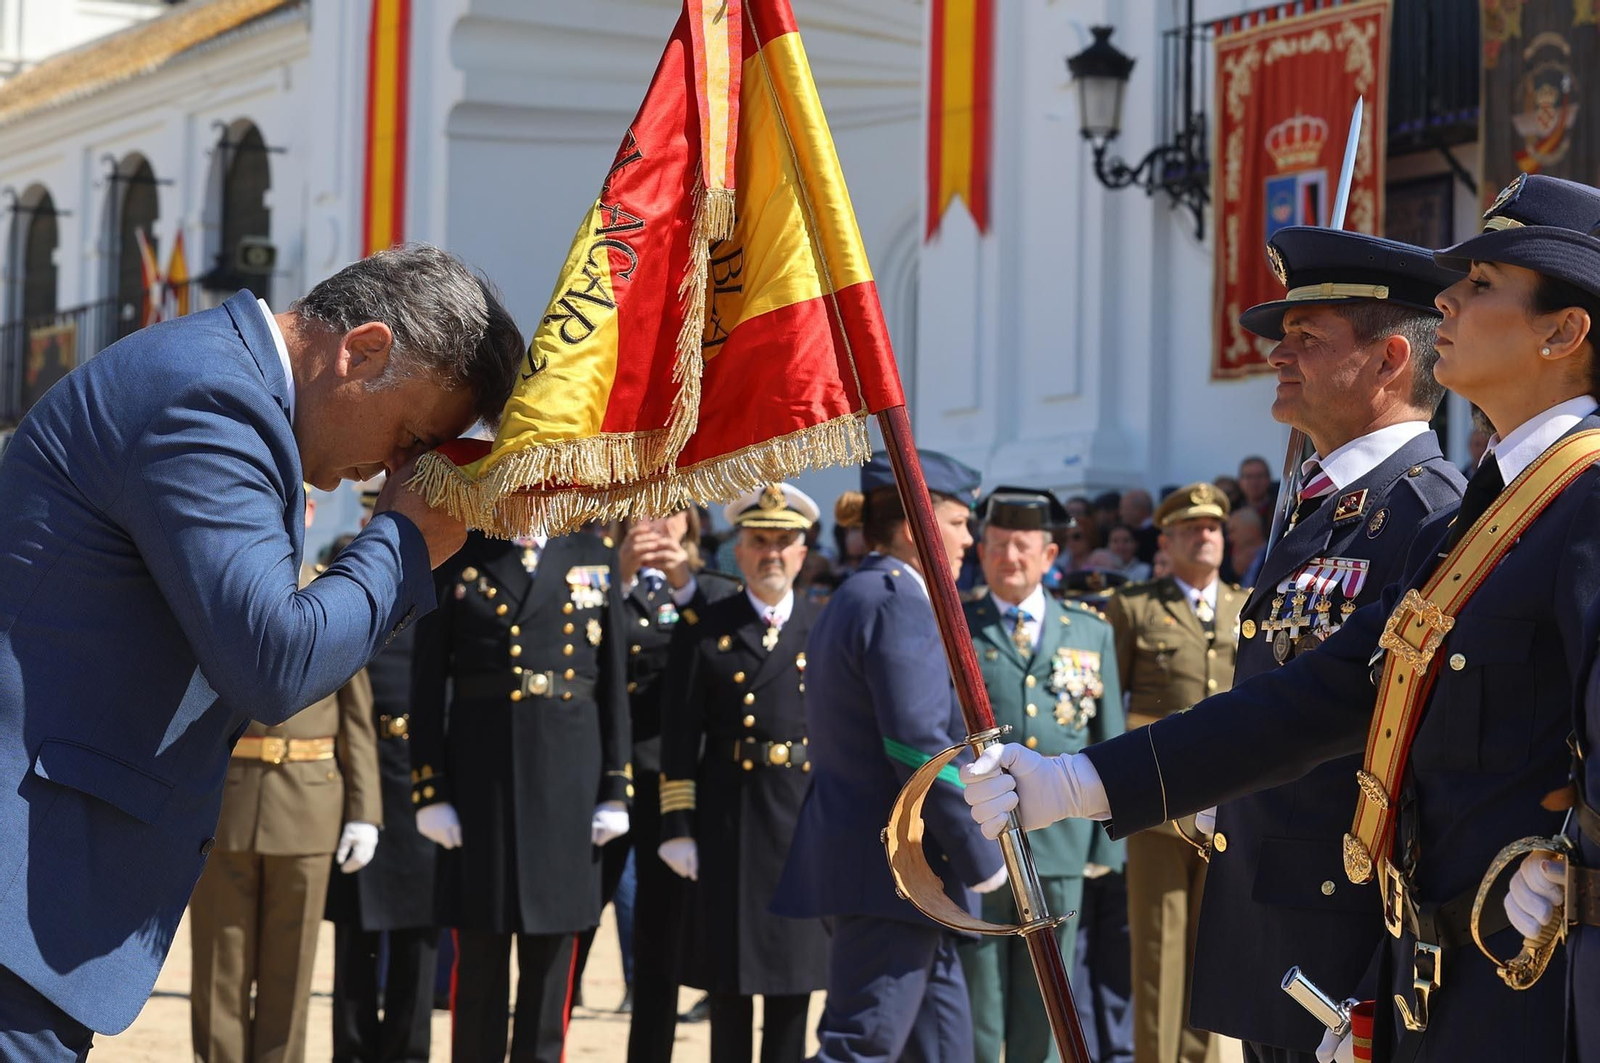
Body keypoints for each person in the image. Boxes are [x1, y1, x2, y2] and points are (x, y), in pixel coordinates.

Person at [962, 173, 1600, 1063]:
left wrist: (1580, 859)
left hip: (1533, 982)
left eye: (1483, 284)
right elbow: (1327, 693)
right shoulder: (1486, 516)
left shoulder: (1581, 501)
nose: (1448, 296)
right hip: (1432, 981)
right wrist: (1081, 781)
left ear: (1565, 331)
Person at [0, 243, 520, 1058]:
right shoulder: (213, 397)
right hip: (20, 886)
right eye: (410, 437)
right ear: (367, 348)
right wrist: (405, 540)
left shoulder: (230, 387)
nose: (393, 470)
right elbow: (274, 660)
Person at [1193, 227, 1465, 1063]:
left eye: (1308, 338)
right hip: (1274, 918)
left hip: (1349, 934)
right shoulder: (1321, 504)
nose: (1279, 353)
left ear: (1389, 359)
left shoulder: (1431, 513)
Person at [772, 451, 1005, 1062]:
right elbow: (915, 743)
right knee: (861, 1047)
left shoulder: (863, 593)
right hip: (897, 873)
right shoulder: (896, 599)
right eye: (957, 522)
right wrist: (984, 851)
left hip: (897, 876)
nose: (967, 538)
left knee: (941, 1049)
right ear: (914, 528)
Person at [409, 529, 632, 1063]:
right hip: (482, 787)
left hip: (568, 788)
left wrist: (616, 790)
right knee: (480, 961)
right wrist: (430, 787)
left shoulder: (592, 555)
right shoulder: (462, 551)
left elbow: (612, 684)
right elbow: (429, 679)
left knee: (552, 964)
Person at [190, 494, 383, 1063]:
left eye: (294, 507)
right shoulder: (215, 588)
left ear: (311, 516)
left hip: (308, 800)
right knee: (220, 968)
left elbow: (357, 717)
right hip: (226, 800)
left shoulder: (332, 592)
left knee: (290, 970)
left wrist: (365, 811)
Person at [656, 483, 829, 1063]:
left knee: (792, 992)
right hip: (729, 827)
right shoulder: (706, 626)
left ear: (804, 551)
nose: (772, 553)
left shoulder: (825, 629)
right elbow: (679, 737)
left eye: (784, 541)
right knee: (728, 992)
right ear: (738, 547)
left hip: (805, 827)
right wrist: (678, 825)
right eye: (760, 541)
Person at [957, 487, 1124, 1063]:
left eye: (1023, 546)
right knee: (980, 1001)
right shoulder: (959, 630)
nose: (1010, 557)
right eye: (998, 545)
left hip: (1060, 843)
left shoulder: (1089, 630)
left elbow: (1108, 736)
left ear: (1050, 555)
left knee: (1049, 1001)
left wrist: (1111, 837)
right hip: (979, 843)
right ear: (981, 550)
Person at [1100, 483, 1245, 1063]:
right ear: (1165, 539)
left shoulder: (1247, 604)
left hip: (1230, 800)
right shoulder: (1134, 606)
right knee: (1159, 947)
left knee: (1215, 947)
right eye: (1190, 528)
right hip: (1158, 802)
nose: (1204, 535)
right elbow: (1111, 706)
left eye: (1212, 526)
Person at [608, 509, 740, 1062]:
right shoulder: (598, 579)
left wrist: (684, 583)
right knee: (570, 932)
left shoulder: (713, 590)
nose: (658, 523)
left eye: (673, 511)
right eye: (646, 510)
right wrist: (620, 578)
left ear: (694, 524)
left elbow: (725, 649)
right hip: (607, 777)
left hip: (674, 783)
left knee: (660, 940)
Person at [325, 477, 443, 1063]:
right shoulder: (343, 574)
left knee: (418, 936)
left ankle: (409, 1052)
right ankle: (351, 1052)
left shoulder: (443, 580)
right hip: (359, 773)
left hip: (418, 775)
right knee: (355, 934)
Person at [1221, 508, 1264, 586]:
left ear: (1250, 529)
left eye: (1232, 531)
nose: (1229, 538)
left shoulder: (1272, 555)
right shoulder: (1233, 562)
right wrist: (1235, 572)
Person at [1119, 489, 1160, 564]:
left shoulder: (1157, 533)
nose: (1121, 513)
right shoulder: (1127, 530)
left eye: (1124, 508)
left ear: (1138, 510)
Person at [1237, 456, 1275, 527]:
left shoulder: (1280, 511)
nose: (1254, 482)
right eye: (1249, 477)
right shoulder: (1232, 510)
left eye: (1259, 476)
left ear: (1269, 479)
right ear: (1240, 481)